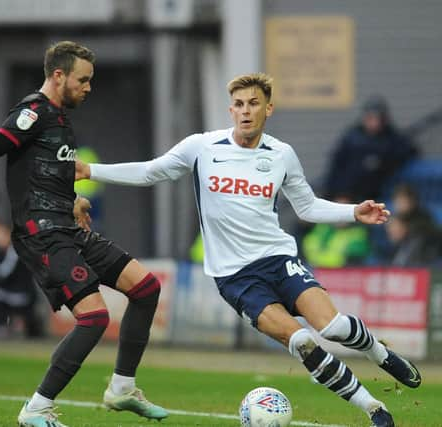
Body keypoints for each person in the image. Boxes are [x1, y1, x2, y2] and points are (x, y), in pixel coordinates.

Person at [76, 73, 422, 427]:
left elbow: (306, 207)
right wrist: (91, 170)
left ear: (268, 108)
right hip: (236, 277)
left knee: (332, 327)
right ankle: (374, 408)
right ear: (231, 110)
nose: (245, 111)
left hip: (278, 259)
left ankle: (380, 354)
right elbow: (151, 172)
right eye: (239, 105)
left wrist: (352, 212)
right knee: (301, 340)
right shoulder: (202, 147)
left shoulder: (281, 154)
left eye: (253, 104)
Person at [0, 41, 167, 427]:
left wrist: (72, 201)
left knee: (145, 289)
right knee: (93, 318)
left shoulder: (60, 120)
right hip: (41, 234)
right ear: (58, 76)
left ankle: (122, 388)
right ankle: (36, 408)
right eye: (83, 80)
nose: (89, 87)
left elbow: (42, 171)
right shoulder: (31, 113)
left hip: (67, 226)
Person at [324, 95, 418, 201]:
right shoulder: (352, 137)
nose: (374, 123)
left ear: (384, 120)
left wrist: (382, 161)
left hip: (372, 194)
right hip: (345, 193)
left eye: (378, 119)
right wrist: (338, 193)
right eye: (370, 118)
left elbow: (409, 151)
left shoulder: (391, 138)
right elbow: (336, 166)